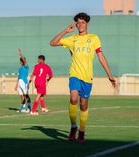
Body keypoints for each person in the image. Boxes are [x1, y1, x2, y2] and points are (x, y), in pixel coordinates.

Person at [50, 12, 116, 143]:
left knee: (83, 105)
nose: (80, 25)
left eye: (83, 22)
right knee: (73, 99)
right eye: (78, 23)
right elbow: (52, 43)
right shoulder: (72, 39)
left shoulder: (94, 38)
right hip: (74, 74)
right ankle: (73, 127)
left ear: (87, 24)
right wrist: (66, 31)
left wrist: (110, 75)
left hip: (87, 77)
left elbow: (101, 56)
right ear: (76, 24)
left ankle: (82, 131)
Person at [15, 48, 31, 113]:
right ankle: (23, 108)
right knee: (21, 95)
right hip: (20, 83)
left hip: (24, 82)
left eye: (21, 61)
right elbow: (18, 77)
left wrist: (20, 54)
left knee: (26, 95)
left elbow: (24, 60)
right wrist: (16, 85)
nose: (20, 62)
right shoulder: (20, 68)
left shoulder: (26, 66)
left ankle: (29, 108)